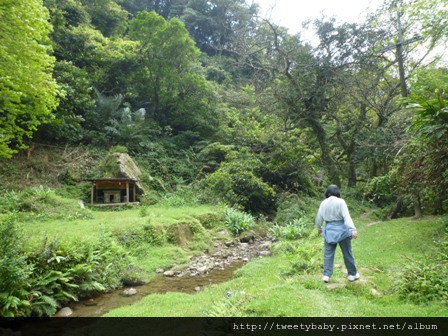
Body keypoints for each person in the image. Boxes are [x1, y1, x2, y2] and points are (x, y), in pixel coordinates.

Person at [315, 184, 360, 283]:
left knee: (328, 254)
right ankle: (352, 274)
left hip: (329, 231)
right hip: (342, 231)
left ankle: (326, 275)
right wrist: (352, 229)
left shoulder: (323, 203)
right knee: (347, 253)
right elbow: (346, 217)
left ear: (327, 193)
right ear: (337, 193)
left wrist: (319, 228)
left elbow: (319, 218)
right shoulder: (341, 201)